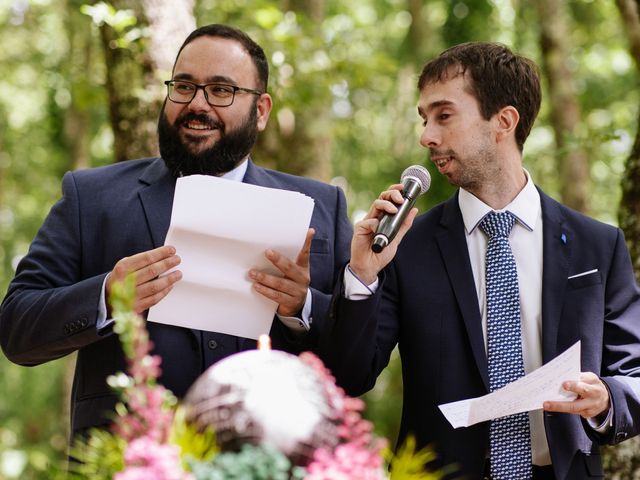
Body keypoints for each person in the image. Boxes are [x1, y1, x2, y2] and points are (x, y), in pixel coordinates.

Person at [0, 24, 352, 437]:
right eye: (184, 86)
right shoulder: (90, 197)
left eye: (221, 90)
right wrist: (107, 298)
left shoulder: (321, 207)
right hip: (131, 457)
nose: (197, 104)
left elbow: (359, 362)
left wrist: (302, 308)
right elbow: (17, 328)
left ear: (261, 110)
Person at [319, 42, 640, 479]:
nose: (426, 136)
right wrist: (361, 276)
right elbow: (347, 380)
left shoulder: (597, 245)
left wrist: (605, 398)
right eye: (424, 118)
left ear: (503, 122)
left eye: (443, 115)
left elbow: (633, 373)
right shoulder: (405, 246)